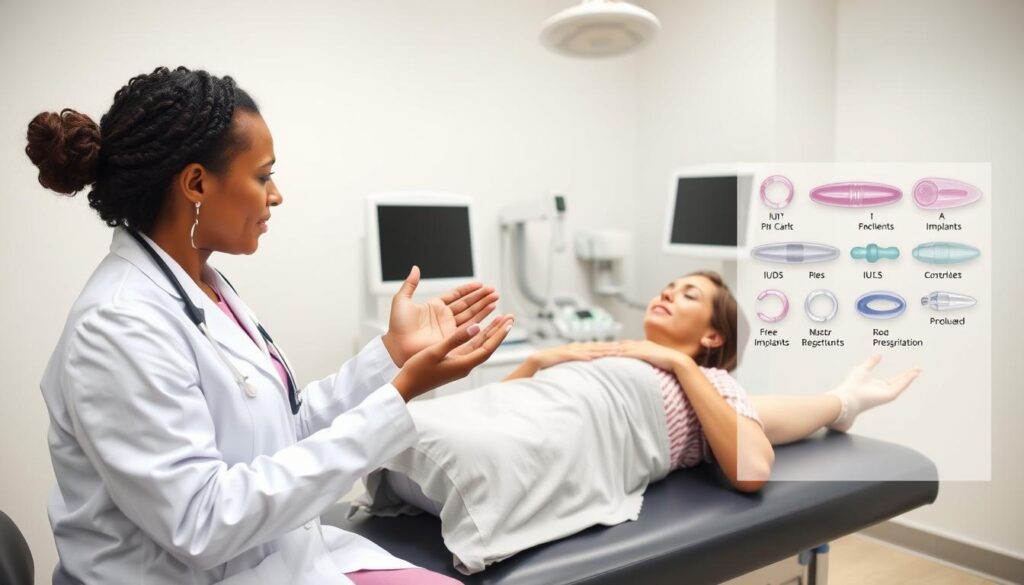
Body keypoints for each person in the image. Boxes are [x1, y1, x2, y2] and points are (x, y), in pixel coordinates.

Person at [26, 66, 513, 585]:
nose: (275, 195)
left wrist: (392, 355)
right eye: (262, 176)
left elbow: (286, 431)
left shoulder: (208, 289)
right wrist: (401, 392)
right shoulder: (117, 326)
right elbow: (202, 524)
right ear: (196, 183)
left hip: (275, 559)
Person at [363, 271, 921, 573]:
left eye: (689, 295)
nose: (667, 294)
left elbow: (752, 468)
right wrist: (539, 362)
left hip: (584, 433)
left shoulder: (710, 383)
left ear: (712, 337)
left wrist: (681, 365)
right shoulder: (619, 352)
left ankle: (844, 401)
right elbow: (501, 409)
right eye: (668, 287)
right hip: (528, 414)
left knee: (447, 440)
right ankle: (843, 402)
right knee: (437, 419)